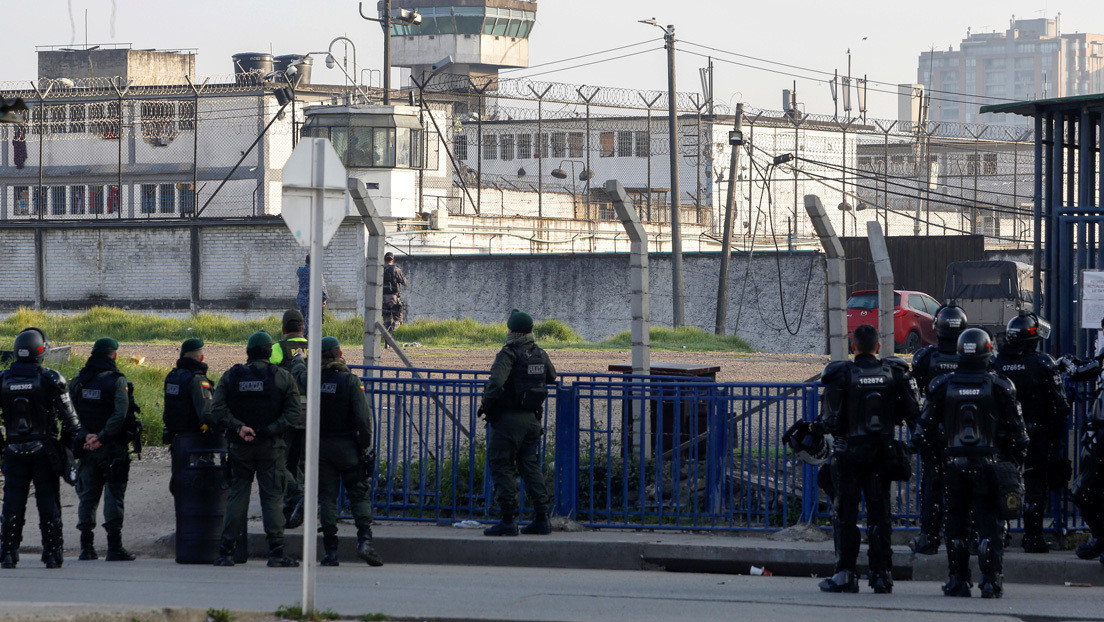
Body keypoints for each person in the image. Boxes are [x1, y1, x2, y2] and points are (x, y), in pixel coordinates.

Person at [919, 328, 1028, 599]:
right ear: (987, 351)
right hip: (989, 463)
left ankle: (958, 580)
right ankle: (990, 581)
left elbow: (922, 432)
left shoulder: (942, 385)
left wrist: (936, 462)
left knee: (955, 523)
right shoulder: (1001, 385)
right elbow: (1019, 434)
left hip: (954, 465)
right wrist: (1012, 464)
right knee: (988, 524)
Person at [812, 323, 920, 594]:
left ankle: (845, 574)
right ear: (878, 347)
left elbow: (831, 420)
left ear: (853, 347)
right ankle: (882, 575)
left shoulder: (841, 374)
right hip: (882, 453)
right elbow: (913, 412)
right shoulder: (893, 373)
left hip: (849, 454)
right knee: (880, 514)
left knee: (845, 515)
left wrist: (817, 428)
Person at [1, 328, 92, 569]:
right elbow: (72, 422)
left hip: (13, 450)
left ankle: (8, 553)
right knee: (48, 501)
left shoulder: (2, 379)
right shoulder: (51, 379)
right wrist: (65, 450)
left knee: (11, 502)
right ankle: (52, 554)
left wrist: (3, 446)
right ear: (41, 351)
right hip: (44, 449)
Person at [209, 331, 302, 568]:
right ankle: (276, 553)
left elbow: (217, 408)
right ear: (270, 353)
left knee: (237, 496)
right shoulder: (282, 377)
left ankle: (226, 552)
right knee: (272, 498)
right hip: (271, 447)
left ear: (248, 353)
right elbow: (293, 414)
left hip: (240, 447)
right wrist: (269, 430)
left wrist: (239, 427)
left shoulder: (232, 376)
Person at [991, 311, 1070, 553]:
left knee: (1003, 481)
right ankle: (1033, 537)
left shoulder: (997, 364)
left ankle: (999, 532)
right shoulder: (1042, 364)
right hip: (1035, 433)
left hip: (1003, 434)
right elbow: (1059, 405)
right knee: (1035, 484)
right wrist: (1055, 434)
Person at [479, 309, 556, 537]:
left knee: (502, 466)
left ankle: (507, 521)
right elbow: (551, 377)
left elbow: (496, 383)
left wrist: (487, 405)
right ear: (531, 331)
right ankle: (542, 519)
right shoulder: (540, 353)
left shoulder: (508, 353)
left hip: (508, 421)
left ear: (511, 331)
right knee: (530, 467)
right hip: (532, 420)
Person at [315, 336, 383, 567]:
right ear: (338, 354)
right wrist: (364, 444)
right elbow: (363, 419)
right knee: (358, 493)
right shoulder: (350, 381)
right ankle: (365, 542)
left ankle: (330, 552)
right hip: (347, 447)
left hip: (321, 447)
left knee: (326, 498)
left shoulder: (311, 380)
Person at [908, 303, 969, 555]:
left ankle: (930, 537)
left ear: (937, 327)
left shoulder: (925, 358)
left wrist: (918, 426)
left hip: (933, 431)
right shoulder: (971, 356)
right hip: (966, 433)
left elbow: (913, 393)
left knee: (933, 485)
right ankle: (968, 538)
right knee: (967, 486)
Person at [70, 337, 137, 562]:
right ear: (114, 355)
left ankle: (86, 548)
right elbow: (120, 415)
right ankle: (114, 547)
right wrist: (102, 437)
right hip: (112, 449)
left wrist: (86, 437)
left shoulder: (79, 381)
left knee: (87, 496)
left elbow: (72, 416)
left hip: (87, 447)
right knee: (113, 495)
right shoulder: (116, 381)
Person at [270, 310, 308, 530]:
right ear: (303, 328)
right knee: (301, 463)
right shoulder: (316, 345)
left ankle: (294, 499)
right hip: (312, 412)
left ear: (283, 329)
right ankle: (295, 509)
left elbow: (268, 373)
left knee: (281, 462)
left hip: (287, 412)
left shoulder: (277, 348)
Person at [162, 337, 215, 468]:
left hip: (176, 439)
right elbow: (206, 414)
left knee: (180, 480)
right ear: (201, 358)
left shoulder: (172, 377)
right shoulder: (197, 379)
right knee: (198, 481)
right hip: (196, 441)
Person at [296, 254, 327, 334]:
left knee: (302, 320)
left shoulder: (300, 271)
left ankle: (301, 335)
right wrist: (324, 298)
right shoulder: (316, 272)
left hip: (302, 299)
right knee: (309, 320)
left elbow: (299, 270)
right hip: (312, 299)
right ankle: (306, 338)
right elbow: (322, 286)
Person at [382, 252, 408, 333]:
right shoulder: (396, 269)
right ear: (393, 260)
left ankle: (385, 337)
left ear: (384, 259)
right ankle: (390, 332)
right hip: (393, 298)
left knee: (386, 321)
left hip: (382, 298)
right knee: (398, 320)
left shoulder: (379, 269)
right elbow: (404, 282)